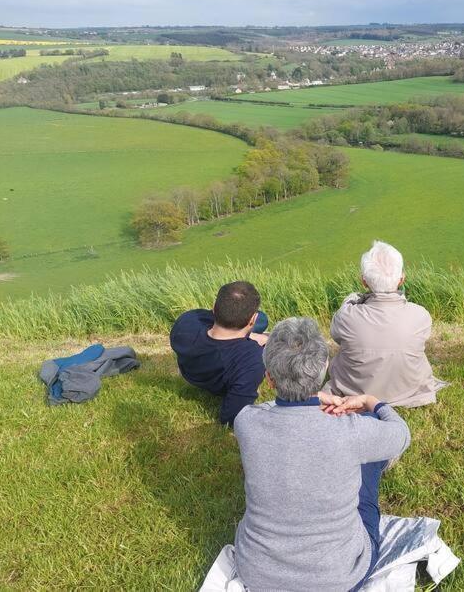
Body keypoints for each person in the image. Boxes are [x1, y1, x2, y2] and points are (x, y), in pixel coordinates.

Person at [233, 317, 411, 592]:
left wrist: (306, 397)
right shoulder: (352, 431)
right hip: (340, 577)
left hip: (257, 574)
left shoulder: (246, 422)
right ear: (324, 368)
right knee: (370, 461)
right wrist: (370, 402)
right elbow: (401, 435)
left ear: (268, 378)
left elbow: (265, 408)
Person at [328, 240, 446, 407]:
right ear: (402, 279)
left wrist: (352, 299)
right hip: (409, 392)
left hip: (354, 391)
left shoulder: (347, 316)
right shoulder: (421, 315)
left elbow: (336, 335)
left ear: (364, 282)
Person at [169, 281, 269, 426]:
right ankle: (252, 333)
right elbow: (231, 417)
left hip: (191, 372)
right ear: (251, 320)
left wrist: (250, 336)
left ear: (214, 308)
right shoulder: (251, 359)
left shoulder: (187, 322)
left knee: (263, 319)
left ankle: (242, 331)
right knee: (263, 321)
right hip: (217, 381)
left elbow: (210, 317)